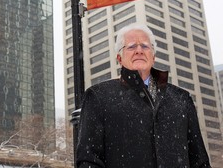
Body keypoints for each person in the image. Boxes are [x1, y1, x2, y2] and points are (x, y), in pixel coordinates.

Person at [76, 23, 211, 167]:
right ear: (119, 58)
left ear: (153, 57)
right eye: (131, 46)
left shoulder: (182, 98)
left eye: (145, 46)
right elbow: (88, 160)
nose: (139, 50)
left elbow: (199, 160)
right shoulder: (98, 96)